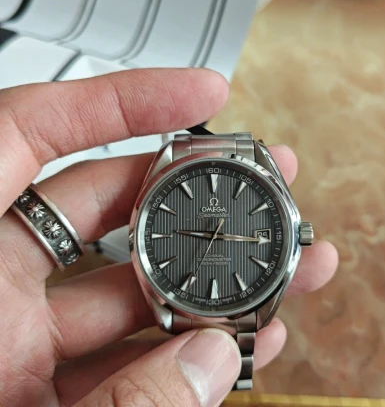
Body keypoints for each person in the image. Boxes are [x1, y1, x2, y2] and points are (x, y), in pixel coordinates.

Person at [0, 68, 338, 407]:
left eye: (216, 234)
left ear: (298, 235)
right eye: (211, 234)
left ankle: (232, 378)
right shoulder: (178, 161)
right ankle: (231, 378)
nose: (214, 235)